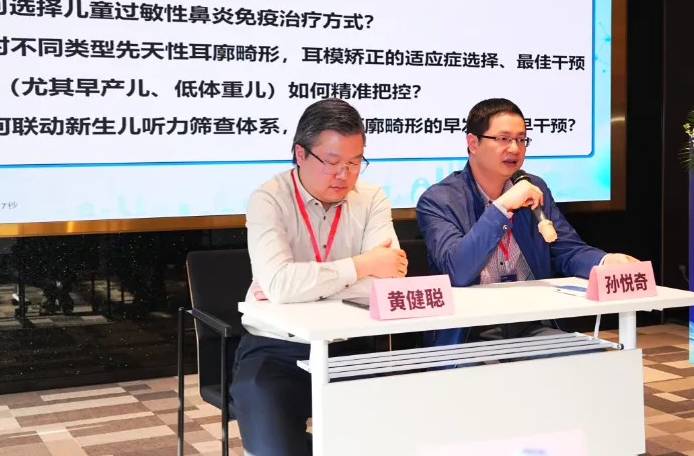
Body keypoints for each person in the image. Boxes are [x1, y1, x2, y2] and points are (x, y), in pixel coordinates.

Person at [229, 98, 407, 456]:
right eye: (332, 162)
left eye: (355, 162)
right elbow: (281, 284)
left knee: (383, 441)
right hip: (276, 348)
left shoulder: (372, 198)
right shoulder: (268, 199)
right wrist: (363, 265)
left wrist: (297, 286)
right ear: (301, 154)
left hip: (350, 345)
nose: (345, 175)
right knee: (275, 449)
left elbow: (389, 281)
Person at [415, 98, 637, 347]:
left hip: (530, 324)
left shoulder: (534, 187)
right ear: (473, 143)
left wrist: (606, 262)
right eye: (503, 139)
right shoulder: (438, 200)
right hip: (470, 333)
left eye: (521, 140)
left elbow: (567, 250)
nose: (514, 148)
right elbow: (457, 271)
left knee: (587, 361)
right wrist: (502, 207)